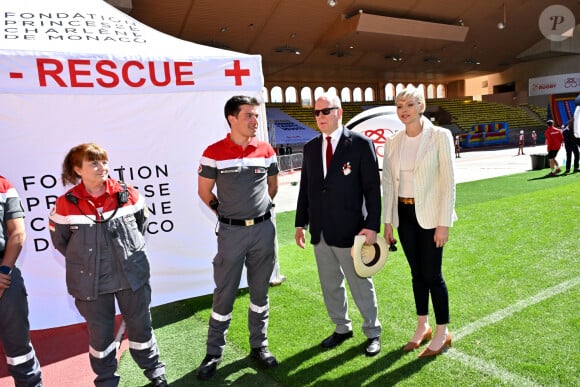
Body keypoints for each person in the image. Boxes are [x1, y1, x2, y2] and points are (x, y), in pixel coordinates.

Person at [48, 143, 167, 387]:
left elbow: (141, 225)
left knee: (141, 327)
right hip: (90, 282)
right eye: (94, 162)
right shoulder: (64, 204)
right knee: (100, 335)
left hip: (131, 276)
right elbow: (61, 242)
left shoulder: (128, 194)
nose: (102, 167)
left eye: (104, 161)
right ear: (78, 170)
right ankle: (105, 380)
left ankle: (155, 372)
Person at [197, 95, 279, 380]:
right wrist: (227, 214)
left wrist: (256, 214)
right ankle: (213, 352)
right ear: (232, 118)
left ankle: (260, 345)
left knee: (260, 292)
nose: (255, 121)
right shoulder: (213, 152)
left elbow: (272, 187)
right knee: (224, 294)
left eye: (256, 116)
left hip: (263, 232)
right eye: (249, 115)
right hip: (231, 233)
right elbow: (204, 192)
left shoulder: (266, 150)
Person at [295, 92, 382, 357]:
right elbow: (306, 189)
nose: (320, 117)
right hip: (320, 232)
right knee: (330, 284)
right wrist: (301, 223)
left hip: (352, 230)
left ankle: (373, 331)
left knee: (360, 283)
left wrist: (372, 225)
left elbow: (372, 189)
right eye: (316, 113)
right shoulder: (310, 148)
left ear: (339, 112)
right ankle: (342, 327)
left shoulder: (359, 144)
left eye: (325, 111)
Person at [382, 87, 457, 358]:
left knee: (433, 275)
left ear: (422, 106)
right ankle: (422, 325)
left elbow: (448, 182)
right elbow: (389, 183)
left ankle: (442, 331)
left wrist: (444, 223)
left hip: (431, 216)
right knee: (416, 275)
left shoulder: (439, 136)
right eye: (400, 105)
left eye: (410, 104)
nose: (404, 110)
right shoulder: (393, 141)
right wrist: (388, 222)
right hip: (404, 216)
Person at [0, 175, 43, 387]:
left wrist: (4, 273)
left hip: (4, 275)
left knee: (19, 349)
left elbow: (17, 232)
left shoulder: (4, 186)